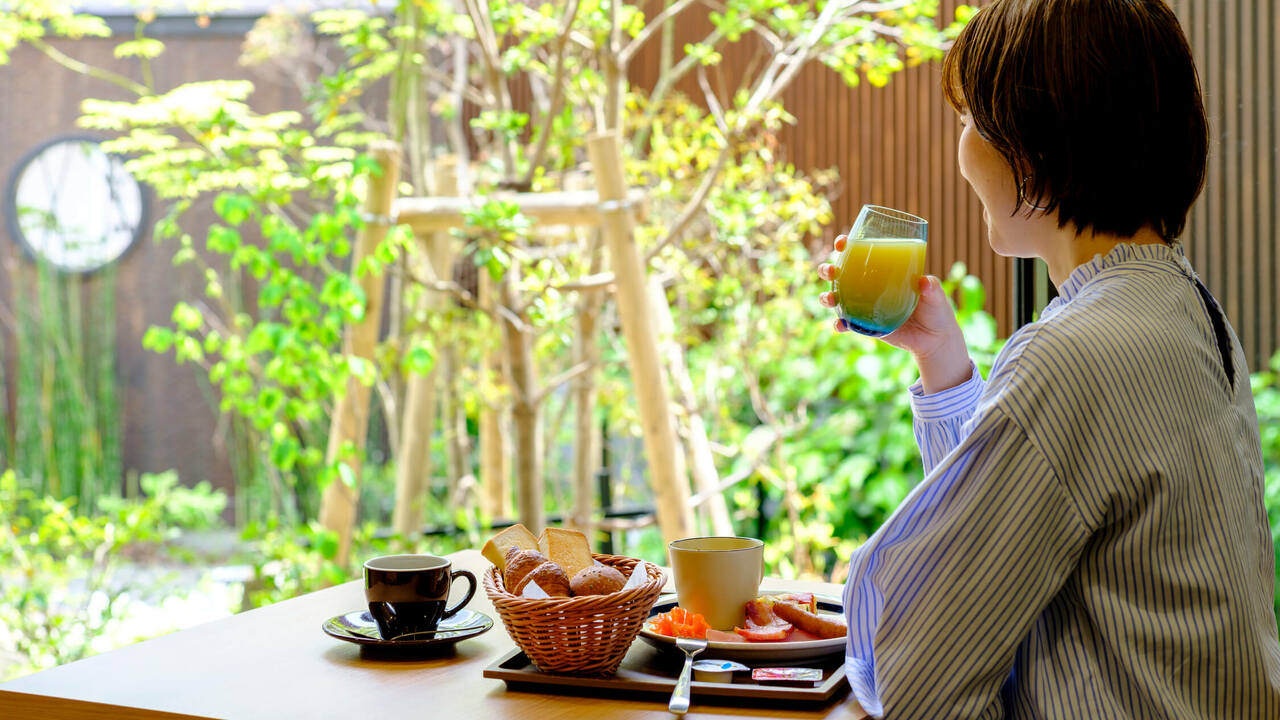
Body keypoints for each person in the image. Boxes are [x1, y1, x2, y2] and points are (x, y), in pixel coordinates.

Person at [815, 0, 1280, 717]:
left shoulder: (1074, 353)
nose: (961, 147)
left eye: (969, 118)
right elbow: (1015, 529)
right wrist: (942, 360)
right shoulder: (1187, 311)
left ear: (1033, 143)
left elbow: (922, 681)